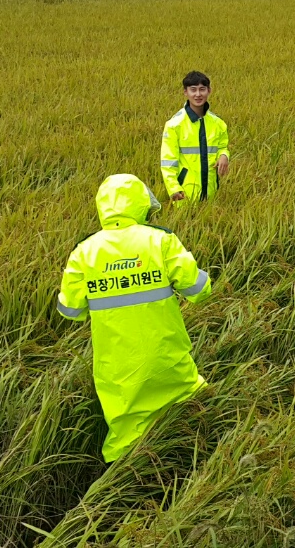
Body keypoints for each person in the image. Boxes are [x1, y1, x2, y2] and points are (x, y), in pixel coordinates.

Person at [56, 173, 213, 462]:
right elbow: (198, 289)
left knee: (126, 440)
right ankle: (196, 465)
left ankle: (127, 486)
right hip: (168, 357)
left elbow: (70, 311)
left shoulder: (83, 252)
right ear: (141, 203)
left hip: (118, 370)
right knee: (192, 415)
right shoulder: (161, 240)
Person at [160, 71, 230, 207]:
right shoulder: (174, 125)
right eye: (193, 90)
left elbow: (223, 146)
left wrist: (223, 156)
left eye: (202, 89)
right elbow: (168, 162)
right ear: (185, 92)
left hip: (211, 192)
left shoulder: (218, 123)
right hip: (184, 196)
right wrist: (173, 188)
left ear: (209, 91)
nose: (198, 94)